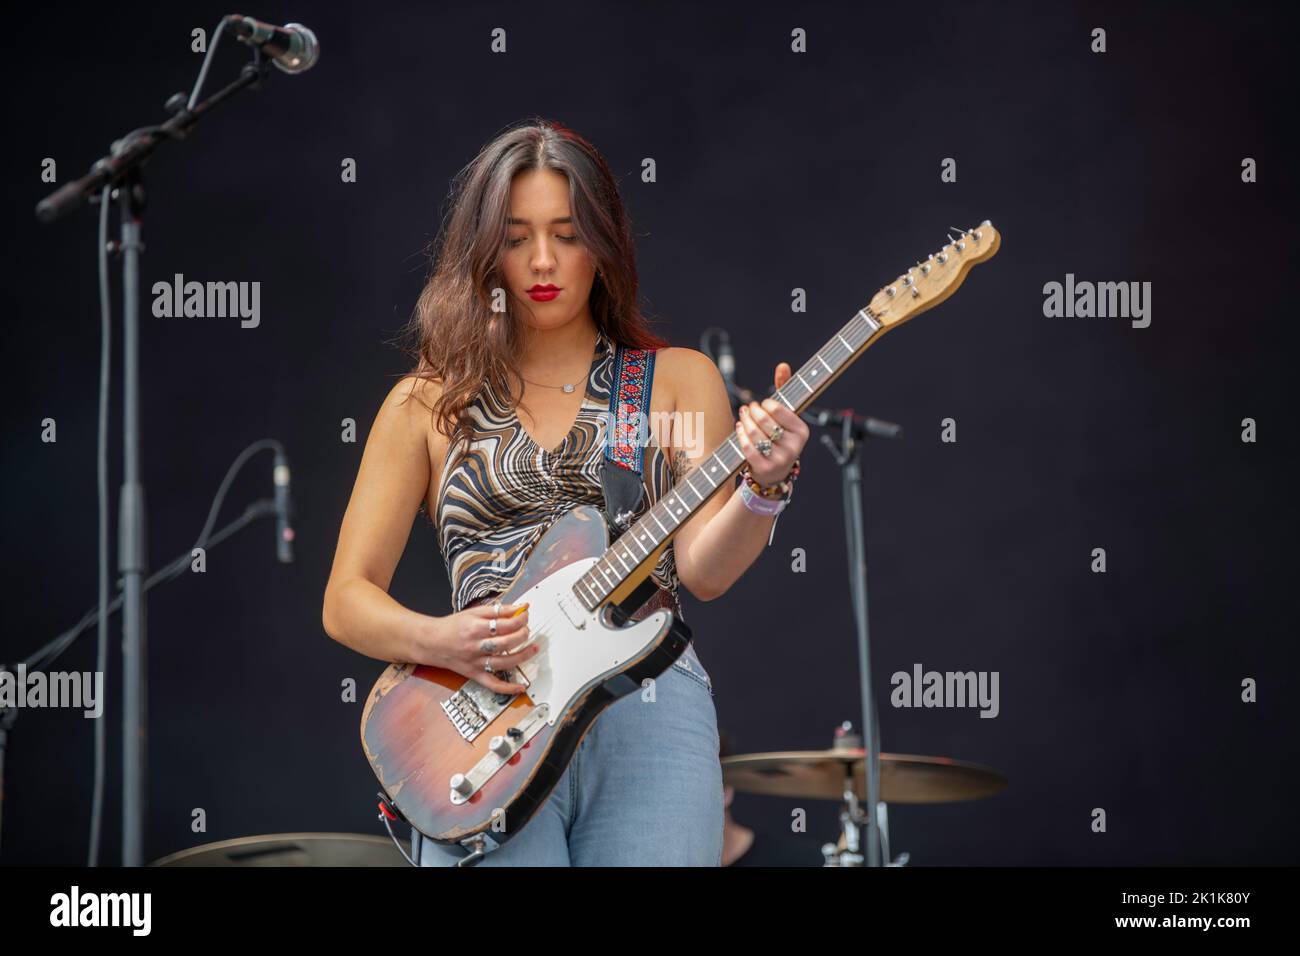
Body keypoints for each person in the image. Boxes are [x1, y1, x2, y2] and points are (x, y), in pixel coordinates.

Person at [322, 117, 809, 866]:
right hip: (487, 723)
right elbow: (347, 599)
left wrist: (764, 488)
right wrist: (440, 638)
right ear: (483, 251)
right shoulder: (426, 404)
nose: (542, 260)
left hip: (646, 708)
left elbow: (705, 572)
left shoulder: (672, 385)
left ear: (604, 245)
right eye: (516, 237)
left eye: (568, 234)